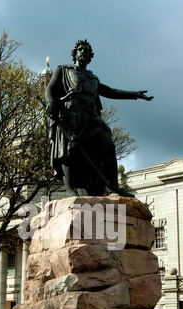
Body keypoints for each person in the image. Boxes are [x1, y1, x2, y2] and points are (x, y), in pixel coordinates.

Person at [45, 40, 153, 197]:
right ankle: (69, 190)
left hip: (91, 114)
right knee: (70, 148)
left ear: (90, 57)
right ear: (75, 53)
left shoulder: (92, 78)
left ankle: (114, 186)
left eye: (86, 50)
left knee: (107, 144)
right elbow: (50, 88)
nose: (83, 52)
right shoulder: (63, 70)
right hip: (71, 112)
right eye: (80, 49)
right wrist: (51, 102)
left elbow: (110, 91)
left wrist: (134, 94)